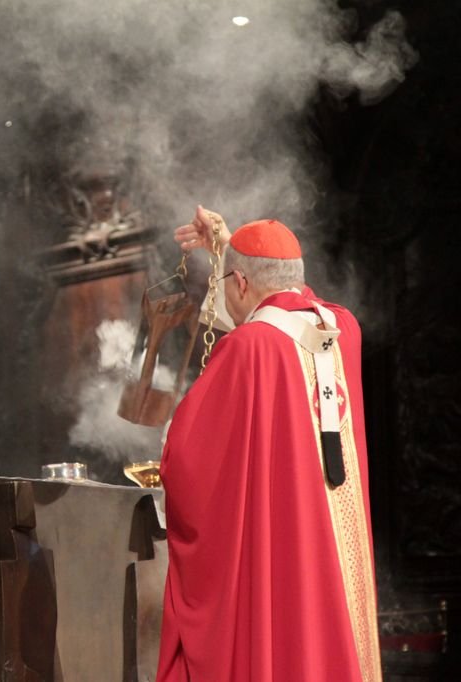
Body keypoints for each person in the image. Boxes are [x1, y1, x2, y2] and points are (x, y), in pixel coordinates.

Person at [157, 206, 382, 682]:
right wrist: (226, 250)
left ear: (237, 283)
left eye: (230, 284)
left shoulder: (248, 349)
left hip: (282, 551)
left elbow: (187, 463)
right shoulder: (342, 331)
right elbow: (277, 301)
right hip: (333, 554)